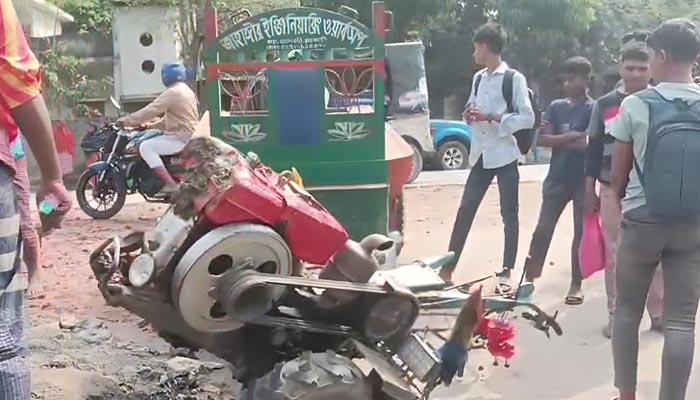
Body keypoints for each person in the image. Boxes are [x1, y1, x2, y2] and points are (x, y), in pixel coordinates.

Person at [610, 19, 700, 400]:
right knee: (681, 322)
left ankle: (627, 396)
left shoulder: (635, 104)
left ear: (661, 56)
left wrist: (620, 208)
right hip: (692, 223)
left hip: (643, 219)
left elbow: (618, 175)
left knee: (627, 312)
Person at [0, 0, 73, 396]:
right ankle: (33, 273)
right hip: (11, 171)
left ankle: (36, 271)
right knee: (5, 345)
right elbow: (17, 82)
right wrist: (53, 179)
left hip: (14, 169)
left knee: (29, 225)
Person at [439, 22, 535, 284]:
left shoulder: (513, 78)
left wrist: (492, 117)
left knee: (509, 214)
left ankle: (507, 270)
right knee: (465, 210)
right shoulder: (479, 78)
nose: (474, 54)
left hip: (505, 154)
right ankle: (447, 270)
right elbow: (472, 107)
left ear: (484, 46)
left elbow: (527, 118)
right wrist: (469, 114)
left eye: (475, 48)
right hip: (481, 153)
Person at [584, 40, 664, 339]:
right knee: (616, 256)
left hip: (651, 190)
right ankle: (616, 315)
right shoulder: (604, 104)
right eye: (630, 68)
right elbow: (593, 150)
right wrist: (589, 189)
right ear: (620, 67)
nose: (635, 74)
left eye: (642, 68)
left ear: (651, 69)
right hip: (611, 190)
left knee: (656, 255)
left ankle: (658, 315)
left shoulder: (661, 101)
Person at [522, 57, 593, 305]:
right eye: (565, 79)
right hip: (556, 179)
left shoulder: (594, 109)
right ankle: (529, 278)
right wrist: (574, 136)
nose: (567, 84)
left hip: (583, 180)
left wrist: (561, 139)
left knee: (580, 233)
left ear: (586, 79)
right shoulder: (556, 107)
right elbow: (541, 140)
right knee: (543, 228)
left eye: (572, 79)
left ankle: (576, 283)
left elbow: (589, 145)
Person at [117, 62, 199, 193]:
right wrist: (148, 126)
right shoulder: (186, 91)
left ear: (166, 75)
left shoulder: (173, 92)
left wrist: (126, 121)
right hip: (188, 133)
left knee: (146, 147)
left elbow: (150, 110)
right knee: (153, 140)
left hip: (181, 136)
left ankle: (170, 184)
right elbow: (169, 120)